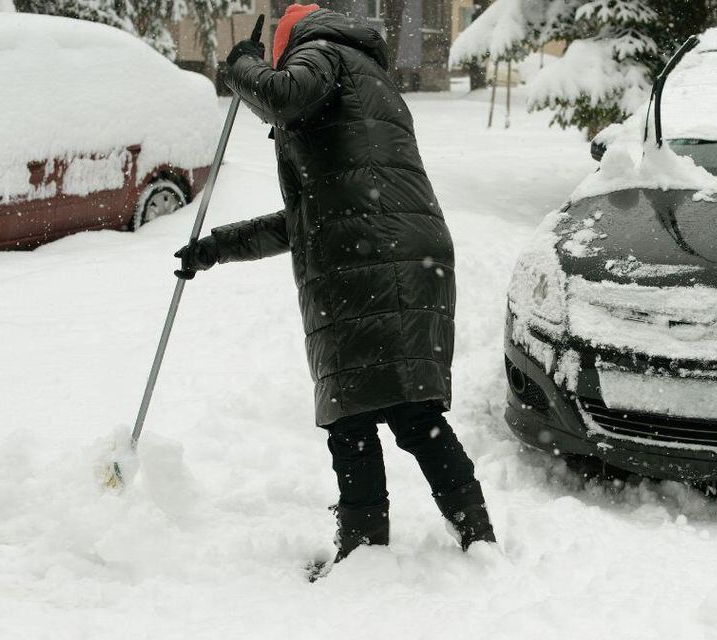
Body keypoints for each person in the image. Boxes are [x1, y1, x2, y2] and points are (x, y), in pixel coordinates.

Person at [174, 3, 495, 562]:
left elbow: (282, 94)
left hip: (368, 257)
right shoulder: (364, 76)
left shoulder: (322, 54)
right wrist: (216, 248)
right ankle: (476, 537)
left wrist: (241, 68)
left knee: (354, 417)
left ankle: (365, 551)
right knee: (411, 412)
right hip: (399, 251)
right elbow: (309, 220)